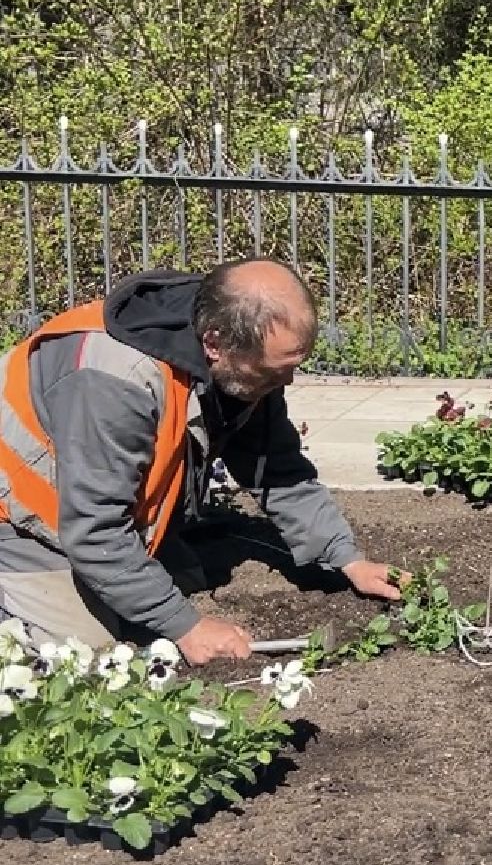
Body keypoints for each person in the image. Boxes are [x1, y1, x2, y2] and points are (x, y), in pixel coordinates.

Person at [0, 259, 405, 664]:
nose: (287, 383)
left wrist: (348, 560)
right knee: (87, 662)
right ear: (214, 343)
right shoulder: (113, 380)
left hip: (83, 513)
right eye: (273, 372)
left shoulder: (240, 350)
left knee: (182, 581)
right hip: (19, 521)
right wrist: (187, 626)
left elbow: (277, 468)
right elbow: (95, 532)